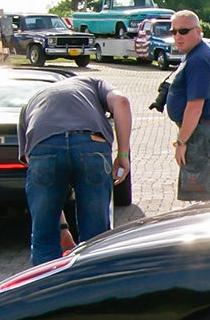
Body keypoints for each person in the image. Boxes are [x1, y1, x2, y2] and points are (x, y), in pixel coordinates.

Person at [17, 76, 132, 266]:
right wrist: (123, 156)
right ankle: (95, 289)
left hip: (42, 145)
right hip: (91, 146)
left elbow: (44, 191)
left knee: (44, 237)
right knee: (97, 238)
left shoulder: (30, 105)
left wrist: (62, 228)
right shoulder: (93, 83)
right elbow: (121, 101)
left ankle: (47, 290)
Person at [165, 10, 210, 200]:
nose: (177, 37)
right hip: (202, 128)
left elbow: (195, 107)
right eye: (173, 31)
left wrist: (182, 142)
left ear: (198, 31)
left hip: (198, 133)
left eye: (183, 31)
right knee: (200, 193)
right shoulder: (204, 51)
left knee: (200, 196)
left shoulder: (199, 59)